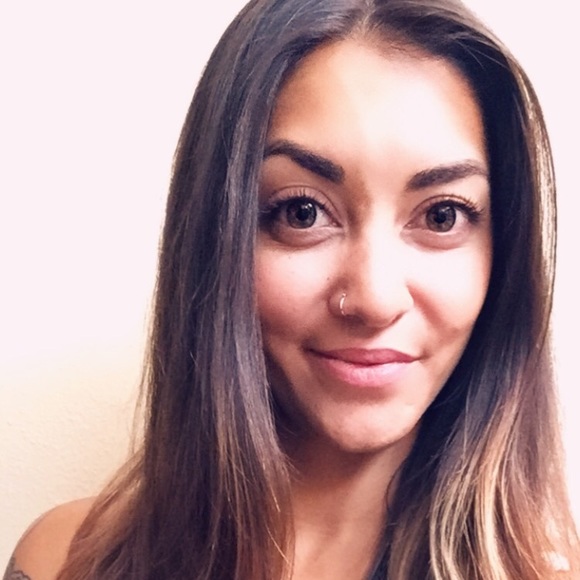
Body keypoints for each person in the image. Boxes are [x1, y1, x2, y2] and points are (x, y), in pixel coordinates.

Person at [6, 0, 579, 578]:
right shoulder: (62, 560)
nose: (376, 298)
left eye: (442, 216)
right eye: (302, 212)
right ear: (217, 239)